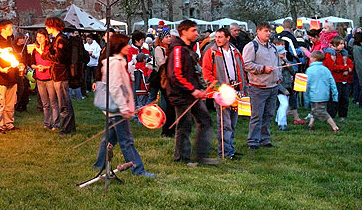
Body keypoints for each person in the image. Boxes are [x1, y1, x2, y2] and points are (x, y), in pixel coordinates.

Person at [93, 33, 155, 177]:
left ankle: (99, 164)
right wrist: (124, 107)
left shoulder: (117, 61)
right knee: (126, 141)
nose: (128, 47)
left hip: (115, 108)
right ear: (119, 46)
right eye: (126, 44)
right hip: (117, 108)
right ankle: (138, 170)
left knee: (109, 138)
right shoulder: (114, 63)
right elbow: (114, 87)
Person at [165, 19, 219, 166]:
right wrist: (193, 90)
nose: (197, 33)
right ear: (184, 32)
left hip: (191, 94)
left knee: (205, 121)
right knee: (184, 126)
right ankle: (181, 158)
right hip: (181, 95)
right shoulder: (177, 50)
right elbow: (176, 75)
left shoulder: (187, 48)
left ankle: (201, 156)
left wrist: (200, 87)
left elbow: (191, 72)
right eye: (193, 30)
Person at [202, 27, 247, 159]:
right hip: (221, 92)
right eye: (216, 37)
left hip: (236, 90)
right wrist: (218, 88)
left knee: (233, 123)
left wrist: (243, 88)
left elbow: (241, 70)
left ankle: (230, 149)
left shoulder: (235, 52)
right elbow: (206, 73)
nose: (217, 40)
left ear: (228, 38)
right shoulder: (211, 52)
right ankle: (225, 152)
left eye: (220, 37)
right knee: (224, 123)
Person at [242, 22, 281, 150]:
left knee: (269, 114)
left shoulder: (272, 47)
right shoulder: (251, 46)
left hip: (272, 86)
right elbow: (246, 65)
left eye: (269, 31)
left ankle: (264, 139)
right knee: (257, 115)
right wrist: (263, 69)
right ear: (258, 31)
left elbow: (277, 63)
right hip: (258, 87)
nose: (268, 33)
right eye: (265, 30)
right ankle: (253, 141)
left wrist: (278, 76)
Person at [43, 16, 76, 136]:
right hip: (58, 74)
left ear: (53, 26)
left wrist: (45, 55)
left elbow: (59, 58)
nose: (46, 28)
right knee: (65, 101)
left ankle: (66, 128)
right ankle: (70, 126)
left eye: (48, 26)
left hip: (61, 74)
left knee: (64, 103)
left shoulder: (61, 39)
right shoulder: (57, 39)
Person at [0, 19, 22, 133]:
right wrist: (2, 70)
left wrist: (18, 64)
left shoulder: (9, 40)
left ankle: (8, 123)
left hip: (11, 77)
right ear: (2, 29)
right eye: (9, 28)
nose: (11, 30)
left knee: (10, 103)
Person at [306, 51, 340, 132]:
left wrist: (306, 95)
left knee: (322, 112)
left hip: (315, 94)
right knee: (314, 110)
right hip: (324, 94)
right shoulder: (326, 70)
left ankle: (335, 127)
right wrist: (335, 94)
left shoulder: (309, 70)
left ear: (314, 59)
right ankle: (310, 125)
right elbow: (332, 82)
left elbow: (306, 84)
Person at [31, 29, 58, 130]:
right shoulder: (35, 49)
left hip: (49, 77)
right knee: (45, 102)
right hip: (39, 78)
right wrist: (37, 67)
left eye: (41, 37)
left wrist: (45, 67)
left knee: (53, 102)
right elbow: (32, 63)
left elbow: (53, 62)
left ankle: (56, 123)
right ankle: (47, 123)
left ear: (46, 37)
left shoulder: (50, 48)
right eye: (37, 37)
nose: (39, 39)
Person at [323, 36, 353, 123]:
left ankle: (342, 116)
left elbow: (351, 64)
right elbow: (332, 67)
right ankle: (331, 117)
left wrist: (347, 69)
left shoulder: (344, 54)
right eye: (340, 44)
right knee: (334, 99)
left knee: (344, 99)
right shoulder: (330, 55)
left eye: (343, 43)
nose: (342, 46)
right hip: (334, 80)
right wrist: (345, 68)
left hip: (344, 80)